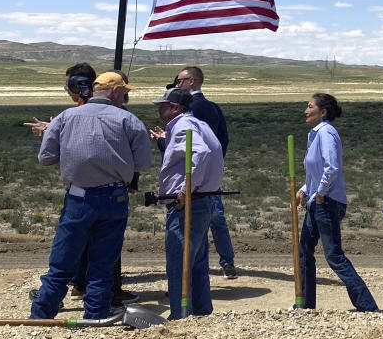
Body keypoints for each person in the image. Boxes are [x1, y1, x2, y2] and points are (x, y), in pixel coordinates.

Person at [29, 72, 151, 320]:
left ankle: (41, 317)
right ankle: (95, 317)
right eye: (124, 92)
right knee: (102, 263)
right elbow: (143, 162)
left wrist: (75, 157)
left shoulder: (65, 117)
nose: (125, 96)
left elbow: (45, 158)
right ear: (116, 92)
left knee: (62, 262)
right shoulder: (129, 120)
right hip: (114, 198)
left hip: (78, 197)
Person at [294, 93, 378, 312]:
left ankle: (367, 306)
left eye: (310, 106)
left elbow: (331, 167)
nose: (306, 110)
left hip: (327, 202)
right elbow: (317, 169)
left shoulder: (326, 133)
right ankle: (304, 303)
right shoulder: (314, 135)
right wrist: (305, 189)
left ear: (323, 112)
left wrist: (320, 193)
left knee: (333, 255)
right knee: (304, 250)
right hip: (317, 201)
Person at [157, 66, 237, 280]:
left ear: (191, 81)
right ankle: (226, 262)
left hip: (195, 182)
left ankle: (186, 285)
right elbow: (221, 141)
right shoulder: (211, 106)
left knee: (197, 229)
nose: (177, 84)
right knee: (210, 223)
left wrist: (164, 142)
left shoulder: (194, 108)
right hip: (206, 177)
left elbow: (197, 149)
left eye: (179, 81)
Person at [151, 87, 225, 320]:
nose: (160, 108)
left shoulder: (183, 126)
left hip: (187, 204)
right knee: (196, 263)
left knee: (179, 263)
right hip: (204, 201)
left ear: (176, 108)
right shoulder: (198, 124)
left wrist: (186, 190)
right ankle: (201, 313)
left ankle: (181, 315)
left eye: (163, 105)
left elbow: (200, 153)